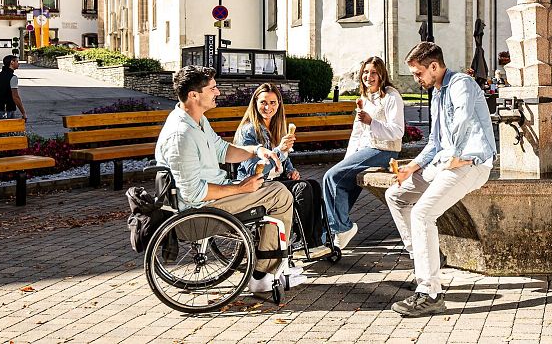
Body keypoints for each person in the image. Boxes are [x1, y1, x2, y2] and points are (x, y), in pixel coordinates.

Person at [155, 66, 296, 297]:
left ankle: (268, 265)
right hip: (199, 211)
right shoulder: (181, 135)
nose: (218, 92)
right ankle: (262, 275)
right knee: (279, 194)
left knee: (276, 190)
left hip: (212, 201)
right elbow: (193, 193)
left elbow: (223, 150)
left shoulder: (196, 121)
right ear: (194, 95)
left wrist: (257, 151)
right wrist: (240, 188)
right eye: (212, 88)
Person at [386, 42, 496, 318]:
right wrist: (411, 166)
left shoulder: (462, 83)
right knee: (396, 195)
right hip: (444, 162)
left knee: (422, 214)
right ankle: (427, 254)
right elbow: (436, 141)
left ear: (434, 66)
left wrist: (458, 154)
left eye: (418, 73)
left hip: (471, 163)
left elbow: (463, 118)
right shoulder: (436, 93)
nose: (416, 79)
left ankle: (429, 294)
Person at [235, 83, 328, 260]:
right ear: (255, 103)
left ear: (279, 104)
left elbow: (285, 160)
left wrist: (291, 171)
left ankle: (314, 241)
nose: (268, 107)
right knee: (302, 189)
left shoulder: (277, 127)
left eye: (272, 102)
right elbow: (254, 169)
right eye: (263, 102)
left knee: (314, 185)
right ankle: (304, 242)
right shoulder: (249, 130)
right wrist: (279, 150)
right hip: (256, 184)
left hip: (275, 181)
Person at [323, 56, 405, 249]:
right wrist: (347, 161)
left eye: (374, 72)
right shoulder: (365, 98)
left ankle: (342, 228)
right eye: (366, 72)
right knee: (340, 182)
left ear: (382, 74)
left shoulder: (391, 96)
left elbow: (398, 131)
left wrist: (372, 122)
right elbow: (357, 134)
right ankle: (325, 236)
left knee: (329, 177)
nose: (369, 76)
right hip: (366, 150)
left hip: (384, 151)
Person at [0, 55, 26, 120]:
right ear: (12, 62)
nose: (18, 63)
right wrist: (23, 113)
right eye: (17, 61)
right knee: (9, 129)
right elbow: (15, 97)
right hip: (8, 110)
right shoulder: (13, 78)